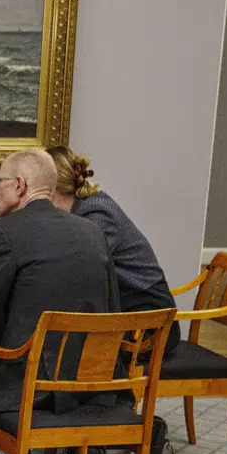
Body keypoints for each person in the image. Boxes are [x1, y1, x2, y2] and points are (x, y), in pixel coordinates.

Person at [0, 149, 119, 454]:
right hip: (86, 387)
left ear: (20, 185)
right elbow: (112, 315)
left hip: (23, 390)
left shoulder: (4, 233)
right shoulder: (93, 233)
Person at [48, 146, 179, 353]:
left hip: (148, 324)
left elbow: (82, 271)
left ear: (51, 188)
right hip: (121, 313)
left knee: (65, 350)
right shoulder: (77, 210)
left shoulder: (96, 212)